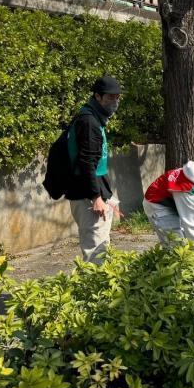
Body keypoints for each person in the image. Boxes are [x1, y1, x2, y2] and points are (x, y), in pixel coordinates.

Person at [64, 76, 122, 263]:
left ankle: (102, 288)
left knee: (102, 246)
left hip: (94, 193)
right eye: (110, 97)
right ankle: (96, 290)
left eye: (117, 97)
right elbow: (86, 162)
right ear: (97, 96)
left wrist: (106, 197)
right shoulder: (89, 121)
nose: (115, 102)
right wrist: (96, 197)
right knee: (96, 251)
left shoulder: (94, 117)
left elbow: (96, 163)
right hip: (87, 196)